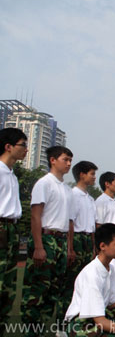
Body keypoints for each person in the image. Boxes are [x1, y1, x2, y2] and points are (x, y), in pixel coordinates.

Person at [21, 146, 75, 335]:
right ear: (53, 160)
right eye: (65, 159)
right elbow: (36, 216)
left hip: (61, 241)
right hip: (46, 238)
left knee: (54, 290)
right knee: (37, 289)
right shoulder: (44, 183)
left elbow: (69, 222)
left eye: (70, 160)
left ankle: (43, 329)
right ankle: (31, 331)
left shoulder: (67, 190)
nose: (68, 164)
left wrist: (69, 248)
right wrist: (38, 246)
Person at [61, 161, 98, 320]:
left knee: (86, 280)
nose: (94, 177)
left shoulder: (90, 199)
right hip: (76, 238)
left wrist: (94, 247)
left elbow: (92, 225)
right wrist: (70, 248)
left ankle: (81, 318)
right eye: (92, 174)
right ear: (82, 175)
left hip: (88, 241)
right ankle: (64, 320)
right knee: (71, 283)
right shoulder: (73, 194)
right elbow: (70, 222)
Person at [0, 127, 27, 331]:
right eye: (22, 145)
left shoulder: (12, 175)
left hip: (11, 229)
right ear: (8, 147)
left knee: (8, 285)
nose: (25, 149)